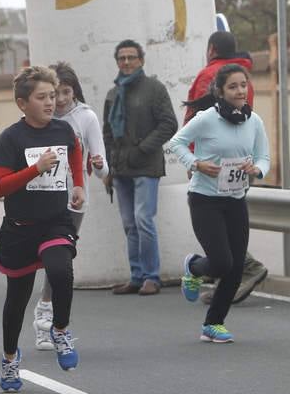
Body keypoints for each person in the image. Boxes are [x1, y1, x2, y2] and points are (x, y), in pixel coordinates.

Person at [0, 66, 86, 391]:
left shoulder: (61, 130)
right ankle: (9, 359)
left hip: (54, 222)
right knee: (16, 301)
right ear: (22, 103)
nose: (51, 102)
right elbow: (1, 187)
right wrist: (35, 169)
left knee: (61, 271)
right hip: (20, 228)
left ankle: (59, 329)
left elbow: (75, 151)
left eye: (54, 96)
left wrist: (79, 185)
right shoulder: (11, 138)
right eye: (42, 97)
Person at [169, 64, 269, 343]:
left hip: (236, 199)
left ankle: (213, 324)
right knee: (223, 262)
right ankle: (195, 267)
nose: (240, 91)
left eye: (243, 85)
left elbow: (264, 158)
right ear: (221, 91)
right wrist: (196, 163)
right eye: (233, 86)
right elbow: (177, 142)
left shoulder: (254, 122)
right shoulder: (206, 119)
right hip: (205, 200)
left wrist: (256, 170)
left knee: (236, 267)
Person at [30, 62, 109, 351]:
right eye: (54, 93)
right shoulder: (37, 118)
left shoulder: (86, 117)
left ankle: (45, 318)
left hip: (74, 202)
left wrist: (99, 165)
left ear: (74, 90)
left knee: (59, 263)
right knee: (33, 263)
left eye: (65, 92)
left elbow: (101, 167)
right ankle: (42, 314)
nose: (60, 100)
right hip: (40, 201)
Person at [184, 31, 268, 305]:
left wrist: (194, 161)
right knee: (225, 237)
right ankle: (224, 272)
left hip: (216, 164)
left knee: (225, 241)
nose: (240, 90)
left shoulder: (209, 75)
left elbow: (192, 119)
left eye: (241, 87)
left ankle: (236, 269)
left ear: (211, 49)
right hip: (242, 161)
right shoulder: (244, 75)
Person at [103, 39, 178, 296]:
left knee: (143, 220)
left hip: (146, 165)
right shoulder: (113, 94)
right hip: (121, 167)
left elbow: (169, 123)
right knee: (128, 223)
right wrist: (110, 168)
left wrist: (144, 148)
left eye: (131, 57)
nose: (126, 62)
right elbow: (108, 133)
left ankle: (151, 276)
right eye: (121, 58)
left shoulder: (154, 88)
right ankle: (136, 276)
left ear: (141, 60)